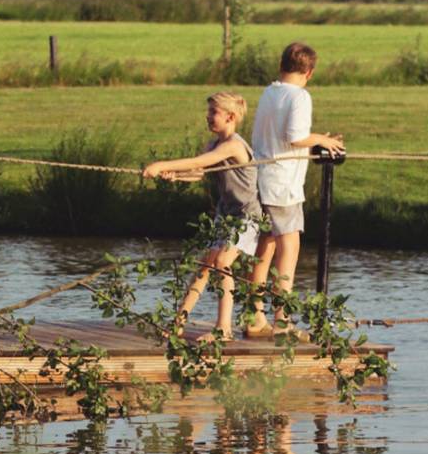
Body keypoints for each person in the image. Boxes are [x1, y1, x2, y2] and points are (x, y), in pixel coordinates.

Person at [142, 91, 262, 344]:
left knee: (223, 262)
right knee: (205, 266)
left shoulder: (233, 145)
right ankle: (178, 323)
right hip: (225, 215)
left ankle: (223, 329)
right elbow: (198, 171)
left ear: (230, 117)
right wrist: (176, 176)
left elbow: (198, 161)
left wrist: (163, 164)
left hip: (246, 216)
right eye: (208, 112)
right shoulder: (215, 144)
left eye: (213, 113)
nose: (208, 117)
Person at [245, 42, 344, 338]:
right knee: (289, 249)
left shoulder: (269, 91)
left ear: (281, 65)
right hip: (283, 184)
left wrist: (315, 138)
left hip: (261, 177)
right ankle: (282, 319)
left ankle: (254, 316)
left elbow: (281, 134)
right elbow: (295, 136)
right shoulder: (300, 96)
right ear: (309, 72)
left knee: (265, 249)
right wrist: (323, 141)